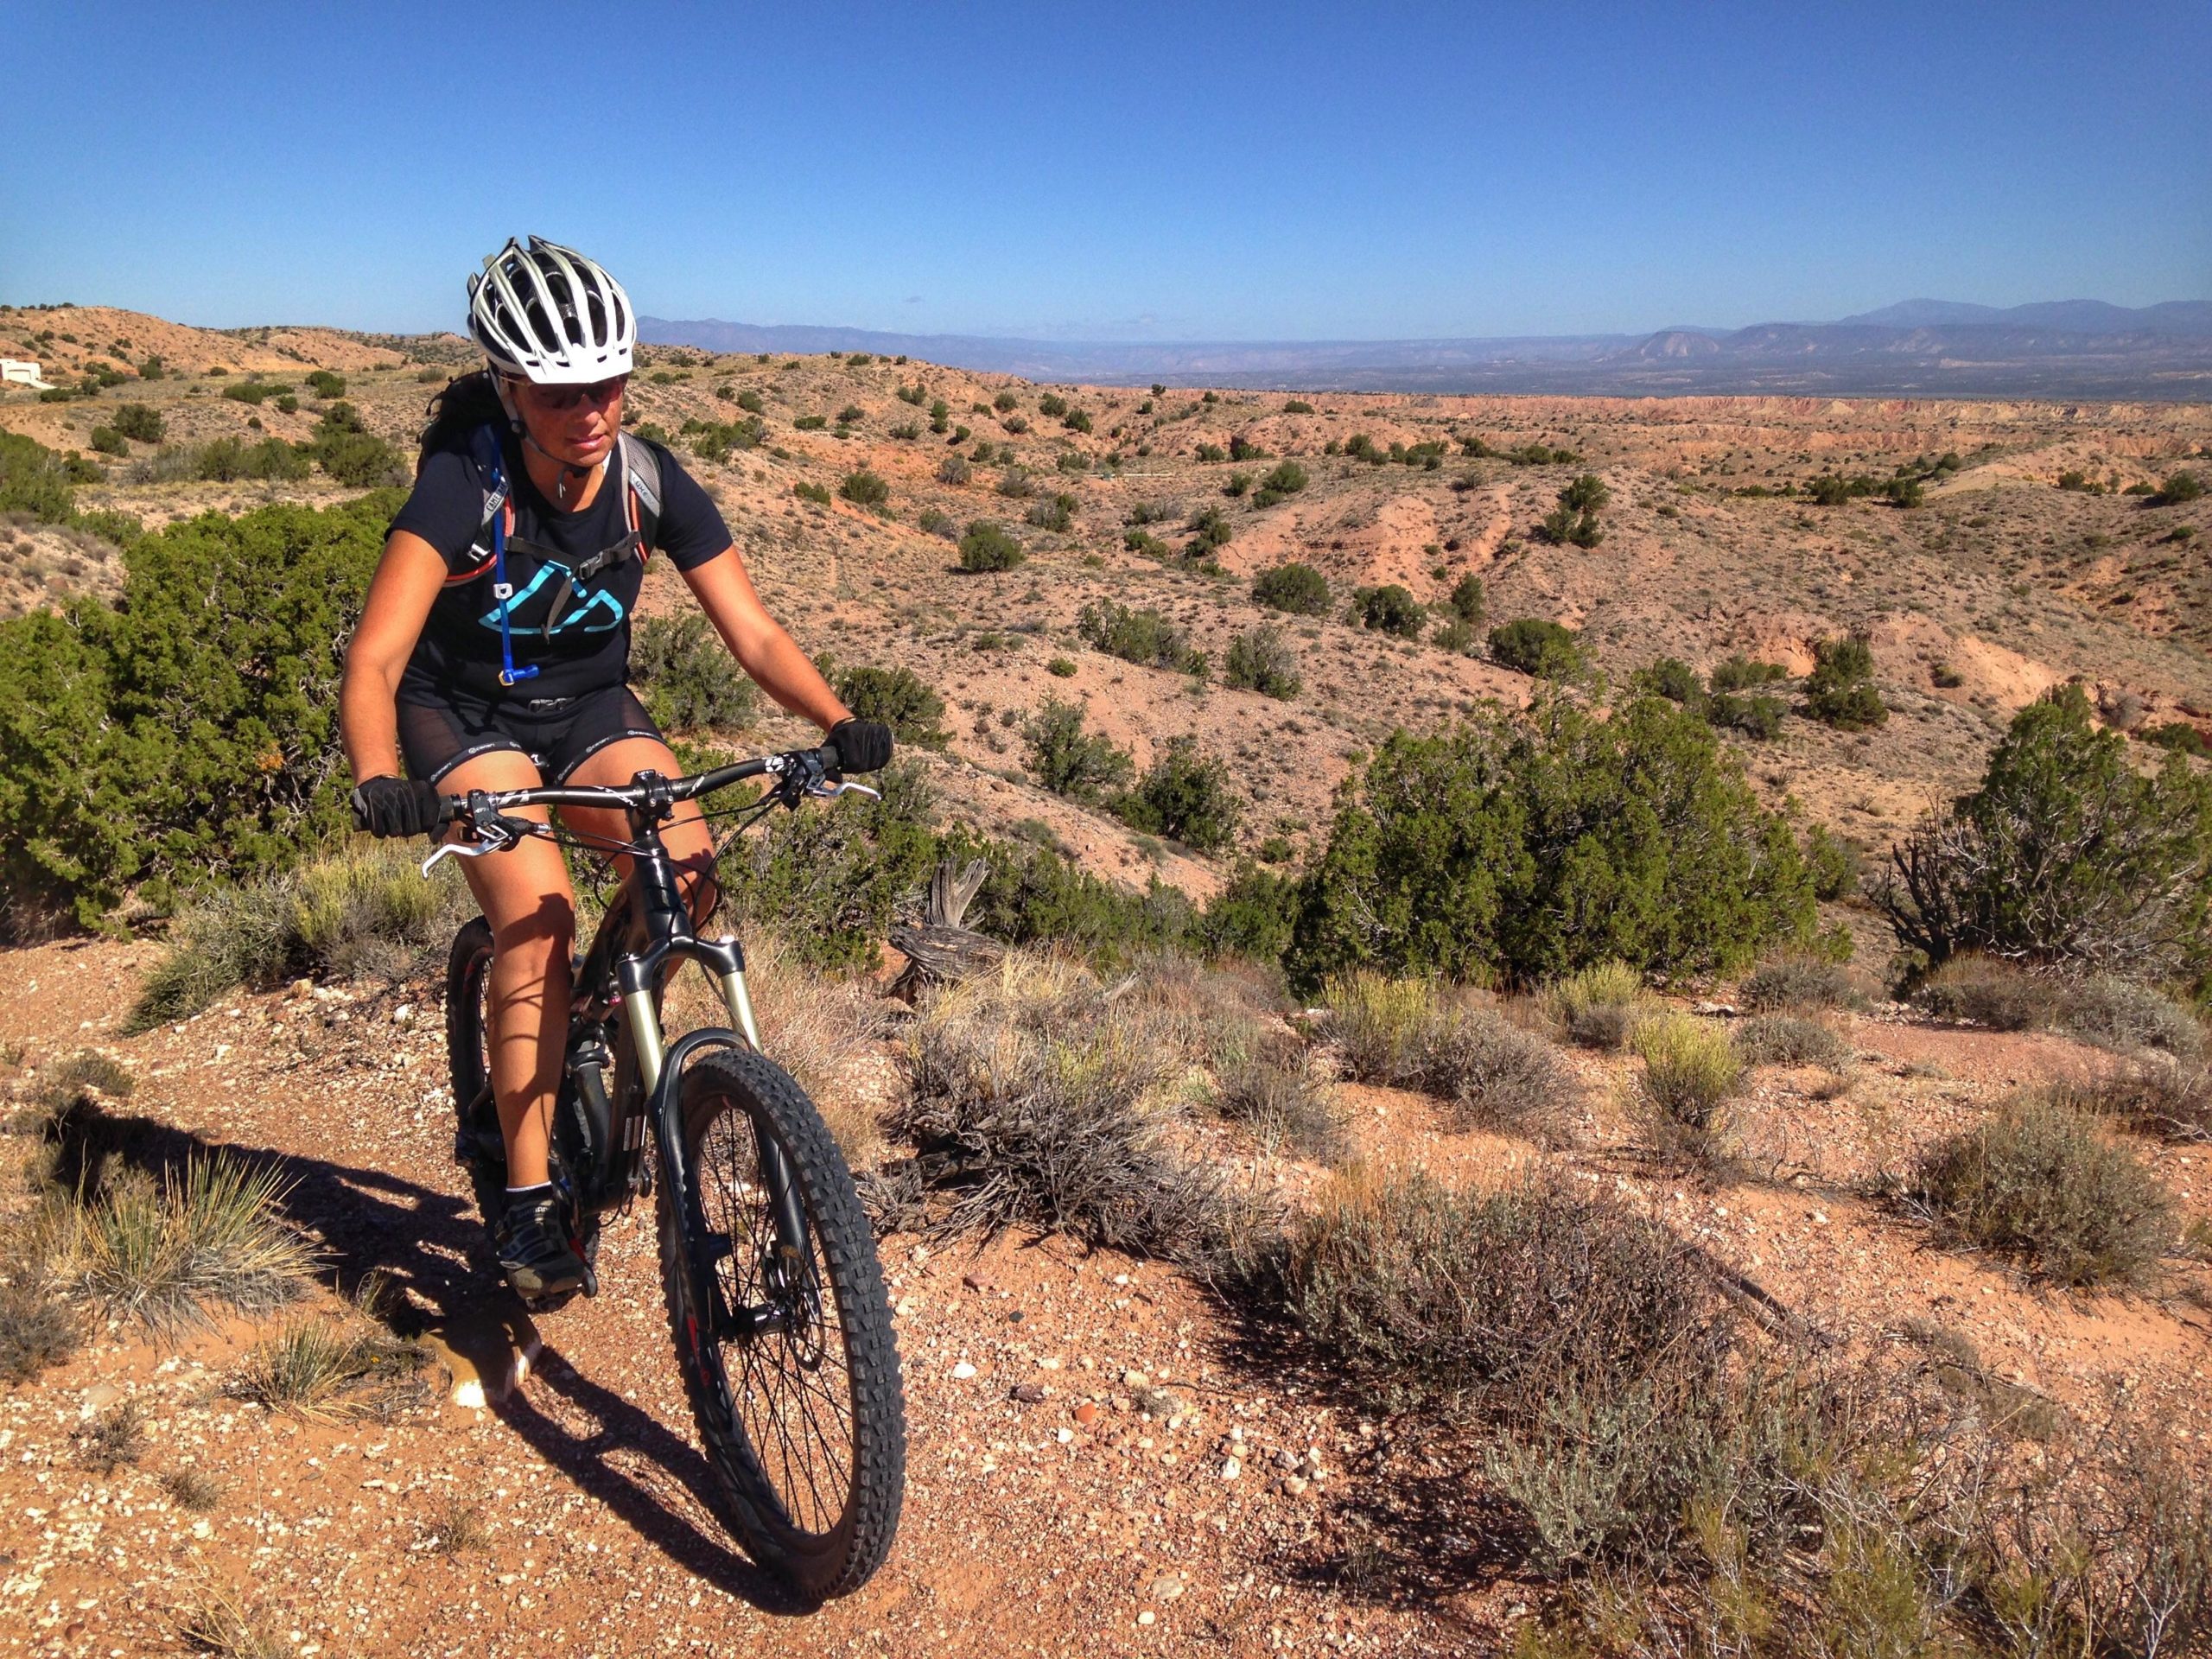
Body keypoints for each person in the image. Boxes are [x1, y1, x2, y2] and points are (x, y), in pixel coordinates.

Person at [339, 235, 891, 1300]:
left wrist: (839, 717)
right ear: (508, 389)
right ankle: (531, 1199)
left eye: (610, 382)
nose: (590, 410)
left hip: (589, 708)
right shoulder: (464, 484)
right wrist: (378, 775)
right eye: (559, 393)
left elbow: (757, 635)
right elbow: (376, 655)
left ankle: (601, 1024)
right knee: (535, 919)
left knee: (689, 870)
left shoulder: (645, 479)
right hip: (460, 717)